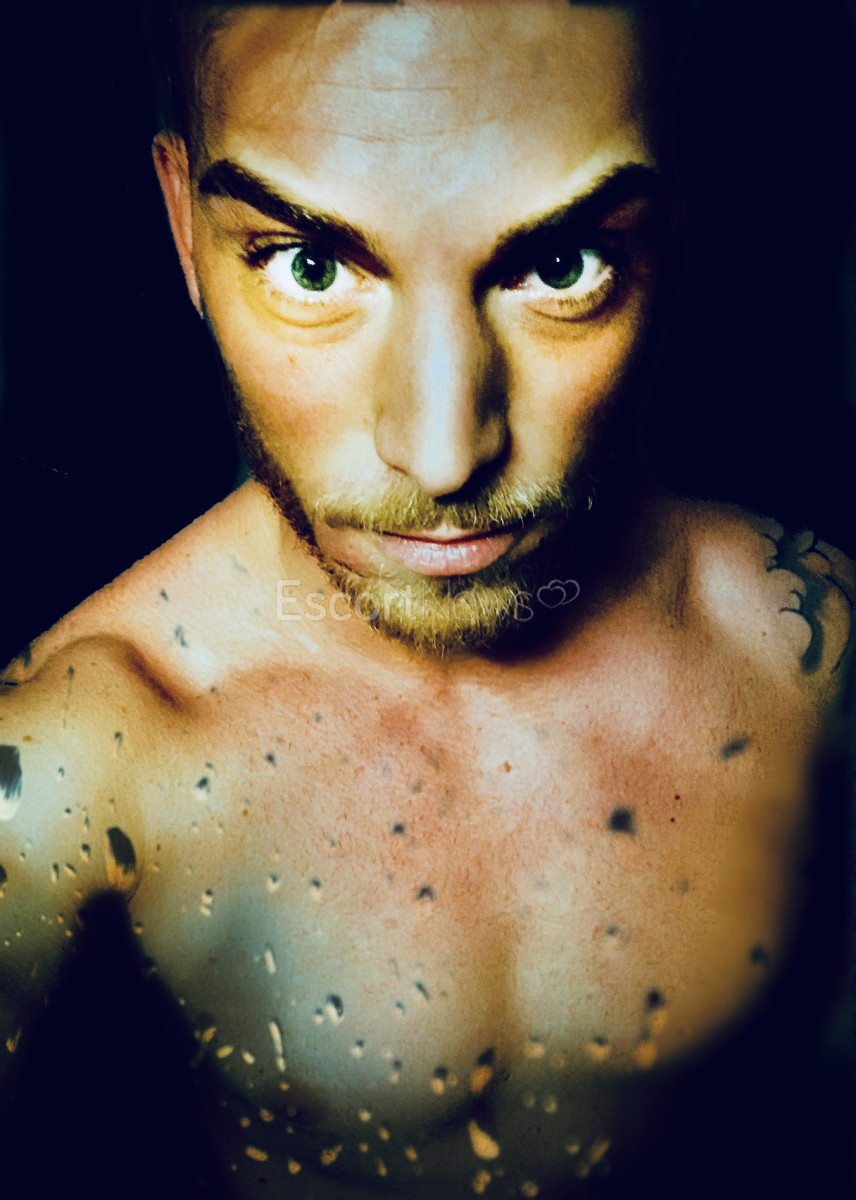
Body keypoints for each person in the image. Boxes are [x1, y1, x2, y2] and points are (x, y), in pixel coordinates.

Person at [0, 1, 853, 1197]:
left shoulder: (812, 656)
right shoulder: (79, 753)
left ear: (673, 229)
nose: (445, 456)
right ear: (185, 232)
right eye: (310, 266)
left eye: (560, 265)